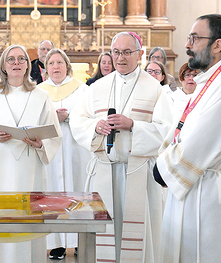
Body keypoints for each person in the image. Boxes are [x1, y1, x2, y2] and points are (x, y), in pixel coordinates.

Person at [155, 14, 221, 262]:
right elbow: (185, 125)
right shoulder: (211, 79)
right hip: (192, 182)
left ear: (217, 45)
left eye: (194, 38)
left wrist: (164, 168)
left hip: (209, 188)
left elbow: (204, 138)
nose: (188, 45)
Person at [70, 32, 173, 262]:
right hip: (105, 171)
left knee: (137, 236)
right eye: (116, 52)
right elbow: (78, 121)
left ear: (140, 54)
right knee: (105, 236)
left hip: (138, 173)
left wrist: (133, 125)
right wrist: (95, 127)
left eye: (127, 52)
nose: (121, 57)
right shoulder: (97, 87)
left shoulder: (154, 88)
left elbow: (166, 130)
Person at [0, 44, 62, 263]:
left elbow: (54, 135)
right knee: (0, 225)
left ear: (29, 65)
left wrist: (40, 144)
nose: (16, 63)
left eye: (21, 59)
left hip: (30, 170)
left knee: (28, 224)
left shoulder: (41, 96)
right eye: (11, 60)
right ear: (3, 67)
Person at [37, 48, 93, 260]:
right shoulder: (39, 91)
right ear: (46, 68)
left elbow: (89, 116)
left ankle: (79, 240)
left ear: (67, 66)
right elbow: (35, 120)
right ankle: (57, 244)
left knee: (76, 190)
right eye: (51, 63)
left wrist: (69, 118)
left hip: (75, 149)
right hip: (51, 150)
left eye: (60, 62)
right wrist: (53, 119)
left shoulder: (82, 90)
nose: (56, 67)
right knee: (53, 194)